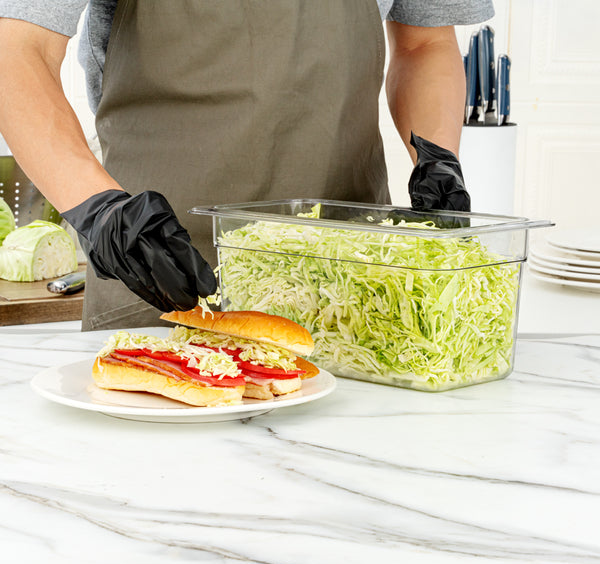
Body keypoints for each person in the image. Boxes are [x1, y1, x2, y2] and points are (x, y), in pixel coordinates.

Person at [0, 1, 493, 331]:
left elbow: (425, 43)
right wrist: (101, 210)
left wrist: (438, 160)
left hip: (350, 274)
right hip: (161, 268)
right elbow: (16, 50)